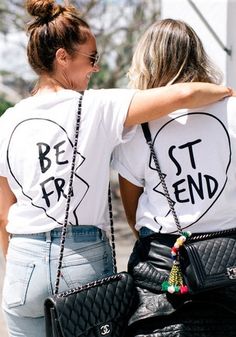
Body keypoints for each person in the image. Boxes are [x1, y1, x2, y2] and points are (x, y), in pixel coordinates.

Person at [0, 1, 233, 336]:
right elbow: (183, 93)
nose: (95, 69)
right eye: (92, 58)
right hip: (83, 259)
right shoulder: (98, 106)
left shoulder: (7, 121)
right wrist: (227, 93)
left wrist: (20, 268)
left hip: (24, 260)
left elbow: (4, 215)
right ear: (63, 57)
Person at [112, 18, 236, 336]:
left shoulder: (137, 126)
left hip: (163, 266)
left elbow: (132, 210)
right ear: (198, 55)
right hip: (230, 261)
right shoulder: (232, 109)